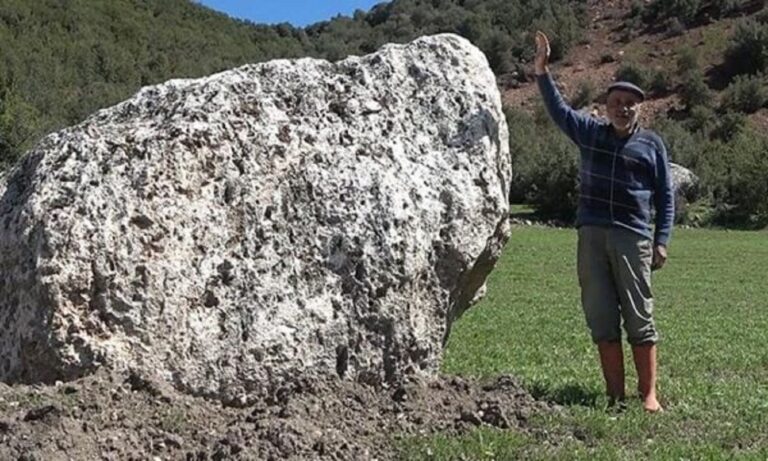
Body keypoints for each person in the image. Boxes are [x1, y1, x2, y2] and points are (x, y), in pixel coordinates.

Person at [533, 31, 674, 412]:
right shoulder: (591, 133)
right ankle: (614, 396)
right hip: (592, 235)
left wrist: (661, 240)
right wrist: (542, 71)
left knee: (640, 315)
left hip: (633, 237)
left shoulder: (652, 145)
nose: (623, 108)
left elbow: (665, 195)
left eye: (630, 103)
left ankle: (648, 396)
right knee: (601, 316)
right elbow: (560, 111)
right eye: (616, 102)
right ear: (606, 105)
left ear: (639, 108)